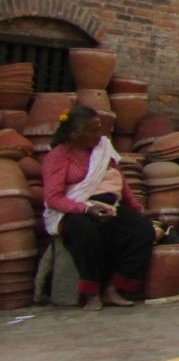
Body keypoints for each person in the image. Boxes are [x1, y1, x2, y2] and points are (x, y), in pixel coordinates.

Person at [41, 105, 154, 311]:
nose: (100, 134)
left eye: (99, 127)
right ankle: (91, 293)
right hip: (73, 210)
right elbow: (53, 198)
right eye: (93, 130)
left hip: (108, 207)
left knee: (142, 230)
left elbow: (120, 181)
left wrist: (137, 209)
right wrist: (86, 209)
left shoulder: (103, 149)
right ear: (75, 134)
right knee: (86, 231)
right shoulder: (58, 157)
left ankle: (114, 289)